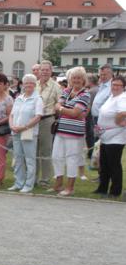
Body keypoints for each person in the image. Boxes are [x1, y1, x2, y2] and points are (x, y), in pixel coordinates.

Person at [50, 66, 91, 197]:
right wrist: (65, 109)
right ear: (70, 79)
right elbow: (56, 106)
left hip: (74, 132)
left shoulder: (85, 94)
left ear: (83, 80)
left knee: (71, 159)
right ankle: (58, 183)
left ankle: (70, 187)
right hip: (61, 129)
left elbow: (75, 112)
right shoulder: (67, 91)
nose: (76, 80)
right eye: (74, 78)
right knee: (56, 156)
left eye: (79, 78)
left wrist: (62, 109)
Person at [8, 74, 43, 193]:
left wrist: (24, 127)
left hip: (28, 132)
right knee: (18, 158)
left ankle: (28, 184)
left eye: (31, 82)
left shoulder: (37, 99)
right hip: (16, 131)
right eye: (26, 82)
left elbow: (38, 116)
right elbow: (12, 115)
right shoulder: (19, 98)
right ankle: (18, 182)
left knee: (29, 159)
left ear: (34, 85)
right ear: (22, 84)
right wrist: (12, 126)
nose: (28, 85)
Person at [94, 76, 126, 198]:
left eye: (118, 85)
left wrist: (118, 121)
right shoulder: (112, 97)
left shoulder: (122, 98)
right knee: (104, 163)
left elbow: (123, 112)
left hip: (116, 136)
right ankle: (102, 188)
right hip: (105, 136)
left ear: (123, 87)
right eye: (113, 84)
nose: (115, 87)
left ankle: (115, 191)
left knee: (113, 164)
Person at [35, 60, 61, 187]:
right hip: (33, 121)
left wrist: (57, 107)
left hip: (47, 120)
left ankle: (45, 179)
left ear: (51, 71)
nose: (44, 72)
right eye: (42, 70)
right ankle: (33, 177)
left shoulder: (56, 86)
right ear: (39, 71)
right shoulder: (34, 84)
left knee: (45, 150)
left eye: (47, 70)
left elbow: (60, 102)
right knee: (33, 150)